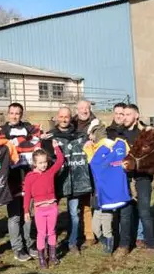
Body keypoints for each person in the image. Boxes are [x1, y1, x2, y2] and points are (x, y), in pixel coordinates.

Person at [44, 107, 90, 255]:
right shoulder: (49, 137)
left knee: (74, 214)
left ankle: (72, 242)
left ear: (71, 118)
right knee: (51, 214)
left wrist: (90, 144)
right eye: (61, 116)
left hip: (75, 181)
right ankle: (50, 243)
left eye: (67, 117)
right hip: (55, 182)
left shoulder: (80, 136)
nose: (64, 119)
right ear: (57, 117)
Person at [0, 102, 39, 262]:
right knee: (14, 216)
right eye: (12, 113)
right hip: (11, 179)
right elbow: (0, 144)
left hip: (28, 178)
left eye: (18, 113)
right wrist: (23, 141)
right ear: (8, 114)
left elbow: (37, 136)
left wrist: (20, 141)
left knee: (27, 213)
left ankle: (29, 243)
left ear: (21, 114)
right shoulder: (2, 131)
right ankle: (17, 248)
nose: (14, 116)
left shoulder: (29, 128)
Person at [115, 104, 154, 257]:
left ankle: (150, 245)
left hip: (142, 177)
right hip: (124, 178)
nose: (124, 117)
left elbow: (152, 157)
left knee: (144, 212)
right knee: (125, 213)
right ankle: (124, 245)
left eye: (128, 114)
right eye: (123, 114)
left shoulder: (146, 134)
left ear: (136, 116)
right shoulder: (120, 134)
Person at [85, 124, 132, 254]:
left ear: (96, 134)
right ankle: (105, 240)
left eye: (91, 134)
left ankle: (109, 244)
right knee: (95, 227)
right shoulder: (94, 148)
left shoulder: (104, 148)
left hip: (108, 194)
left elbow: (95, 163)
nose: (89, 137)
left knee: (106, 224)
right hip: (98, 194)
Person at [23, 140, 64, 269]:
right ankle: (41, 258)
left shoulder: (50, 172)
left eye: (45, 162)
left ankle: (52, 256)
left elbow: (60, 161)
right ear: (34, 163)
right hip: (39, 210)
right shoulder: (30, 177)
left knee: (51, 232)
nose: (44, 165)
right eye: (40, 163)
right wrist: (26, 211)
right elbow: (27, 195)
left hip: (52, 207)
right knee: (41, 233)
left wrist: (56, 147)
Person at [71, 99, 101, 247]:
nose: (84, 111)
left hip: (89, 168)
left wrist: (95, 140)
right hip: (73, 167)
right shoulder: (70, 123)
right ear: (77, 110)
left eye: (86, 108)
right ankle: (73, 233)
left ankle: (89, 234)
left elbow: (103, 140)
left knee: (86, 201)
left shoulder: (97, 125)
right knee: (73, 204)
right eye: (81, 108)